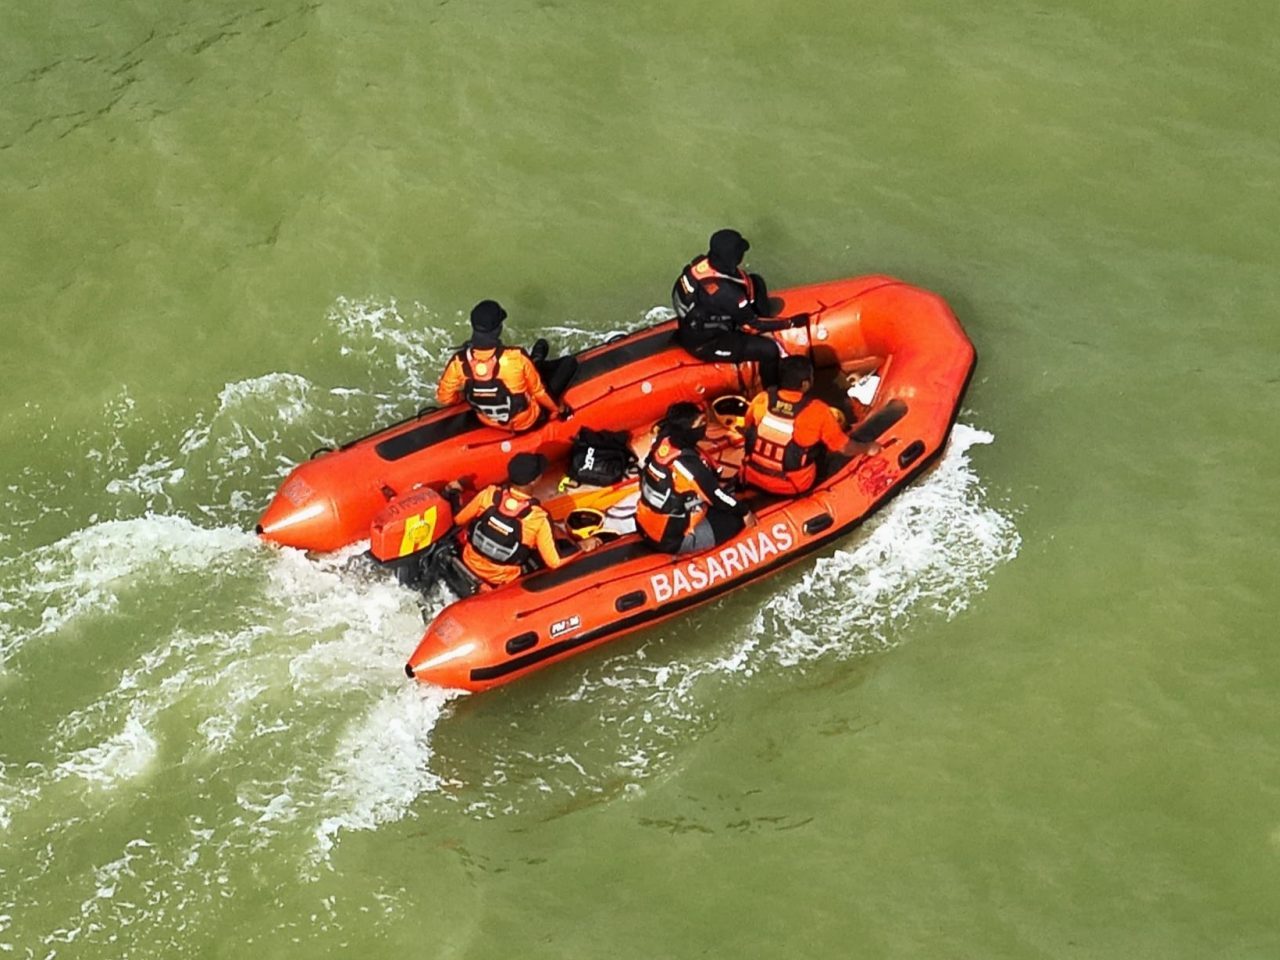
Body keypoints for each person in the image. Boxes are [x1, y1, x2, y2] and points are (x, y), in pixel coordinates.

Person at [671, 228, 809, 387]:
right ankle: (771, 391)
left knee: (755, 281)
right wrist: (790, 323)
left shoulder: (698, 265)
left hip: (694, 324)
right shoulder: (727, 293)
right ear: (733, 257)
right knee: (769, 350)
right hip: (706, 343)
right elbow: (752, 326)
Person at [448, 453, 596, 588]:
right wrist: (583, 545)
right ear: (535, 480)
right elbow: (554, 561)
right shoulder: (538, 518)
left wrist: (455, 490)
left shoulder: (489, 495)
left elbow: (459, 519)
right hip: (500, 580)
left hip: (467, 562)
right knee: (560, 548)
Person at [740, 356, 878, 496]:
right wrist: (868, 448)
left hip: (752, 476)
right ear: (805, 384)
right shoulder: (817, 410)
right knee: (835, 447)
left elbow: (748, 427)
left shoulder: (762, 399)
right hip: (793, 485)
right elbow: (845, 448)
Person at [436, 300, 574, 431]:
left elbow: (444, 397)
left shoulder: (458, 362)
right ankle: (536, 362)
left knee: (524, 372)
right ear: (498, 329)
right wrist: (561, 410)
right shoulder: (516, 357)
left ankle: (535, 362)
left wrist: (463, 397)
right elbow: (539, 392)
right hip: (525, 422)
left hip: (487, 420)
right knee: (569, 363)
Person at [636, 402, 754, 554]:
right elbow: (716, 496)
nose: (704, 426)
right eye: (700, 423)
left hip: (645, 521)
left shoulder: (662, 442)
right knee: (735, 520)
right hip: (671, 539)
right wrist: (745, 512)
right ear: (687, 430)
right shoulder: (688, 466)